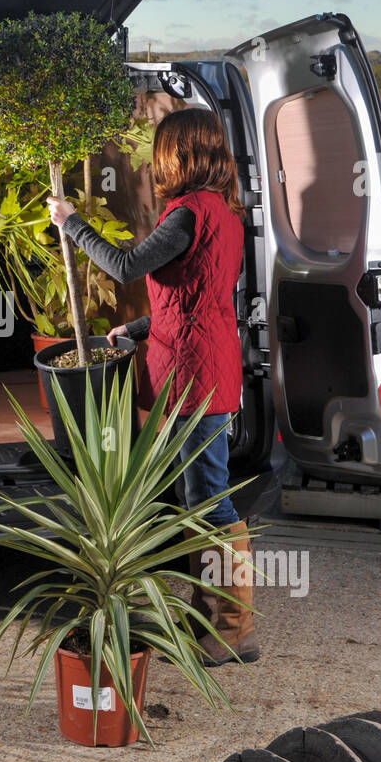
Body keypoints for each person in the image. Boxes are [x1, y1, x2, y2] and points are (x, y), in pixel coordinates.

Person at [46, 107, 257, 666]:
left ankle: (233, 627)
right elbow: (195, 296)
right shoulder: (225, 215)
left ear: (181, 154)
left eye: (163, 150)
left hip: (194, 376)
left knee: (209, 500)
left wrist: (70, 220)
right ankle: (212, 622)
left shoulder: (186, 216)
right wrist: (136, 329)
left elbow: (121, 264)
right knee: (200, 497)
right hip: (207, 365)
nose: (156, 161)